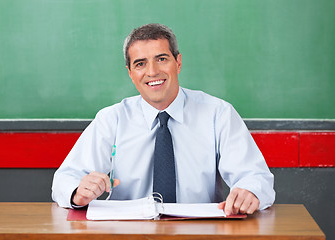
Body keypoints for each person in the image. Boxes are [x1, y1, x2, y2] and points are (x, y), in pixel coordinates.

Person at [52, 23, 275, 215]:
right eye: (140, 64)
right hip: (127, 233)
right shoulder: (112, 119)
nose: (152, 71)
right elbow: (65, 179)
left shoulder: (218, 114)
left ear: (178, 63)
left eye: (161, 59)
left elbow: (255, 176)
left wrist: (249, 191)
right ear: (130, 73)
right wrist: (77, 192)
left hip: (200, 232)